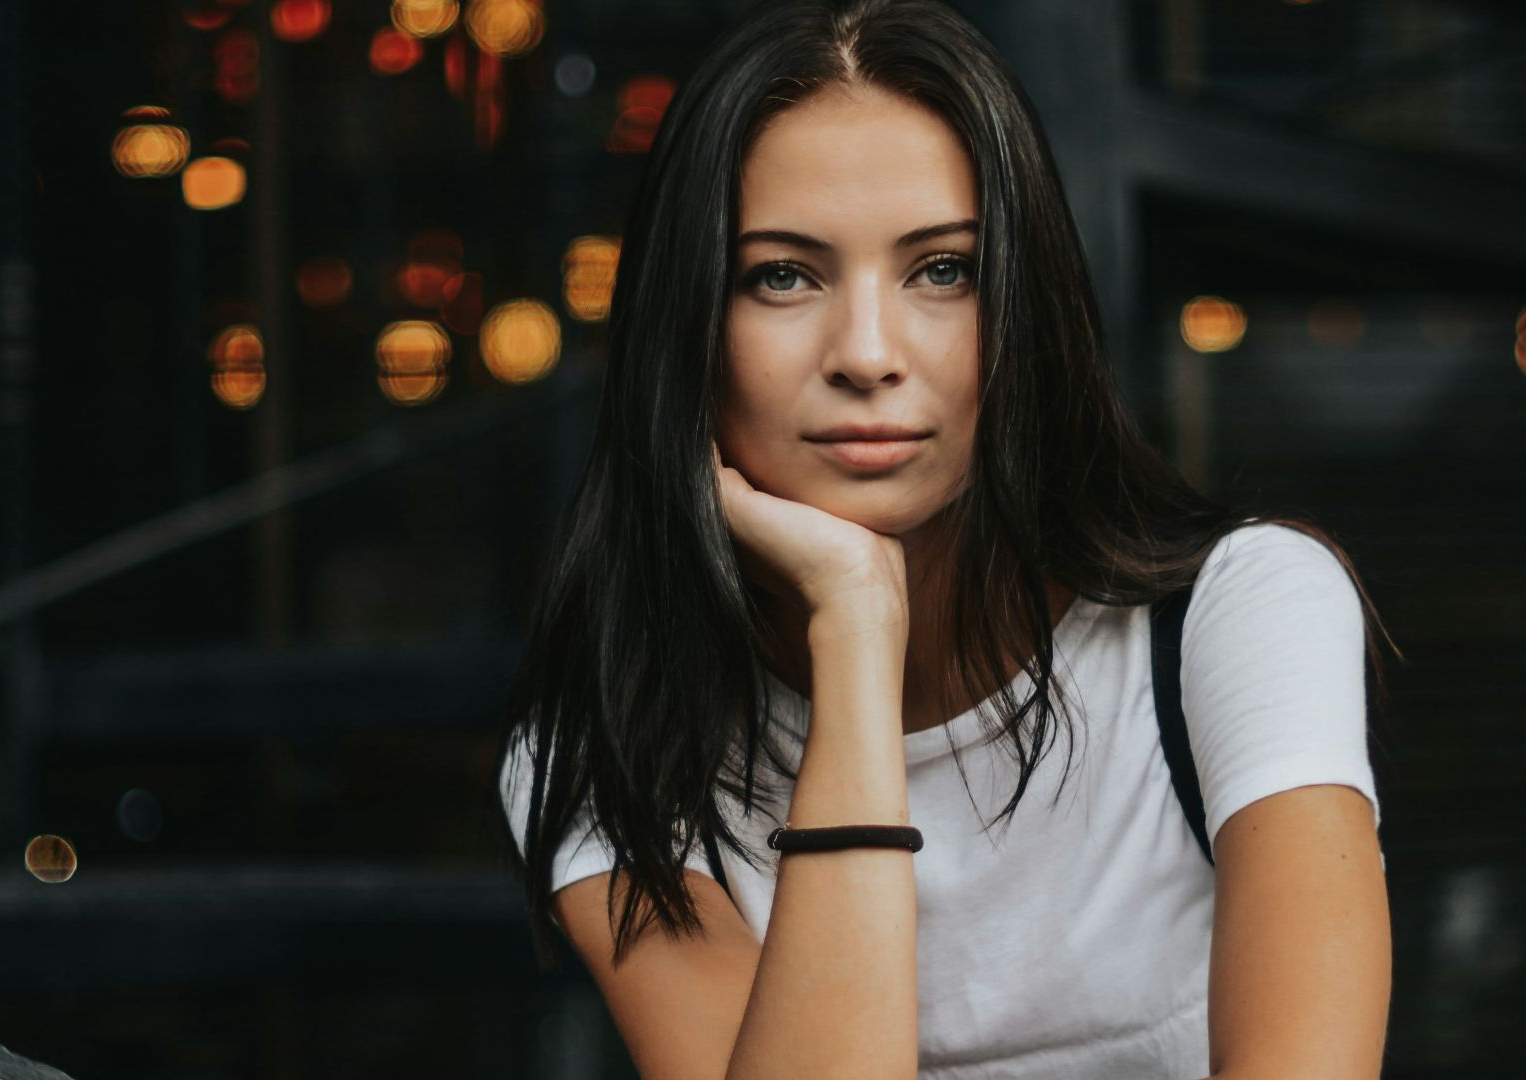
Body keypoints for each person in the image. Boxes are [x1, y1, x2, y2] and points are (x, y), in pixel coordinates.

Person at [495, 1, 1397, 1076]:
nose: (868, 354)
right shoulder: (612, 736)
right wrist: (856, 628)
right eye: (783, 274)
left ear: (1027, 304)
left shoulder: (1239, 615)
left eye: (943, 271)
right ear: (687, 328)